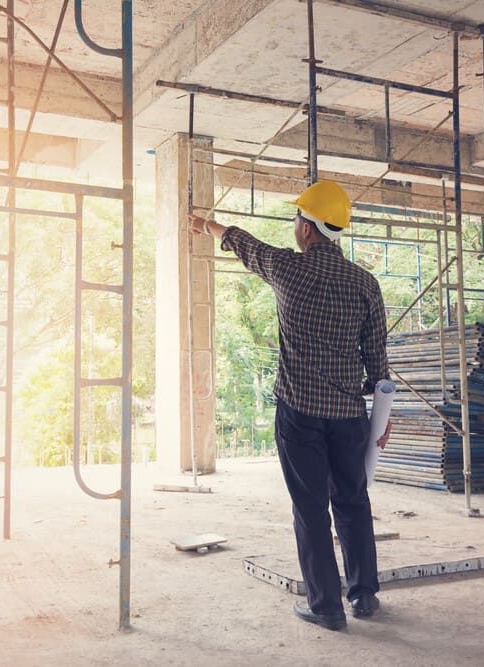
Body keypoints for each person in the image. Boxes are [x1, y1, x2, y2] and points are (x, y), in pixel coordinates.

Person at [189, 179, 391, 632]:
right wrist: (383, 419)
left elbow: (244, 244)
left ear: (306, 228)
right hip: (349, 417)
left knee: (311, 507)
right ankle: (364, 595)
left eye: (297, 218)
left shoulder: (287, 269)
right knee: (354, 501)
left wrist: (205, 224)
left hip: (300, 414)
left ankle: (326, 607)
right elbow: (378, 358)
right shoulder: (365, 284)